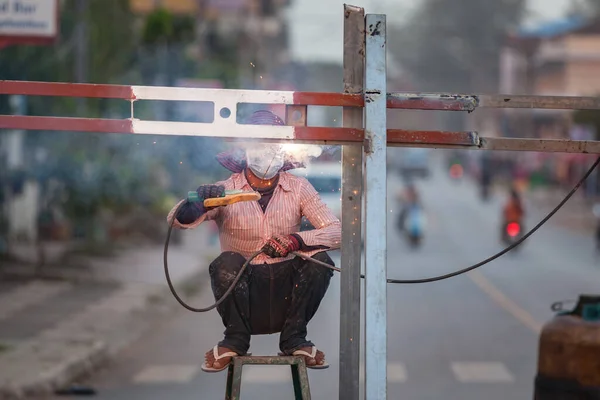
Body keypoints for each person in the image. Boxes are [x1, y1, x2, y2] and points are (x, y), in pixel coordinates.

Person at [166, 110, 341, 373]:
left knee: (321, 260)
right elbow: (176, 220)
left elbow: (336, 231)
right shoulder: (225, 190)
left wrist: (295, 241)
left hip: (288, 295)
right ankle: (235, 339)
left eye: (272, 144)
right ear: (244, 151)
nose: (266, 151)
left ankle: (294, 338)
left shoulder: (300, 188)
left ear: (284, 151)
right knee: (226, 262)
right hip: (243, 294)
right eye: (258, 144)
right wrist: (196, 203)